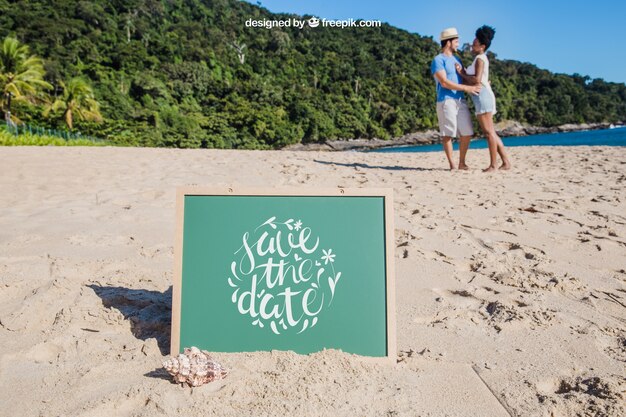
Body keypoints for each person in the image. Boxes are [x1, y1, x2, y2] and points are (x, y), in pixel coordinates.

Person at [456, 25, 511, 172]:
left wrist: (461, 73)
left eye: (475, 43)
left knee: (489, 133)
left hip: (483, 97)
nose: (472, 45)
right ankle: (505, 162)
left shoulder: (480, 59)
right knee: (491, 131)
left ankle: (493, 165)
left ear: (482, 46)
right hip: (482, 96)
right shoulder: (480, 58)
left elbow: (476, 80)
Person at [431, 27, 481, 170]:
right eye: (456, 41)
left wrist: (479, 83)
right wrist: (467, 88)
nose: (458, 44)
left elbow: (464, 78)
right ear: (448, 42)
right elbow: (444, 82)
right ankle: (452, 164)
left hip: (460, 100)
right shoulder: (438, 60)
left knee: (467, 132)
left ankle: (461, 162)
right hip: (446, 100)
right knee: (448, 133)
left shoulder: (457, 59)